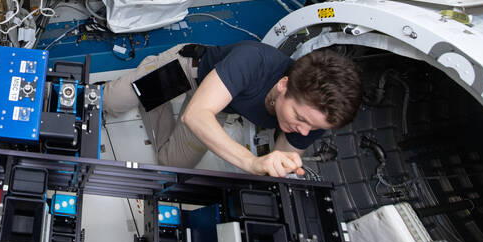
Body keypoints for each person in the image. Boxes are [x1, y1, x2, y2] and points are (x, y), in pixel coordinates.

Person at [104, 41, 361, 177]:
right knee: (110, 102)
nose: (304, 132)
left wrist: (282, 168)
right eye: (299, 118)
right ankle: (153, 77)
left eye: (314, 128)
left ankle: (151, 96)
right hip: (189, 71)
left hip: (222, 104)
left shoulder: (315, 119)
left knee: (171, 163)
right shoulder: (254, 60)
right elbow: (196, 115)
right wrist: (251, 162)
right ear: (284, 85)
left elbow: (281, 159)